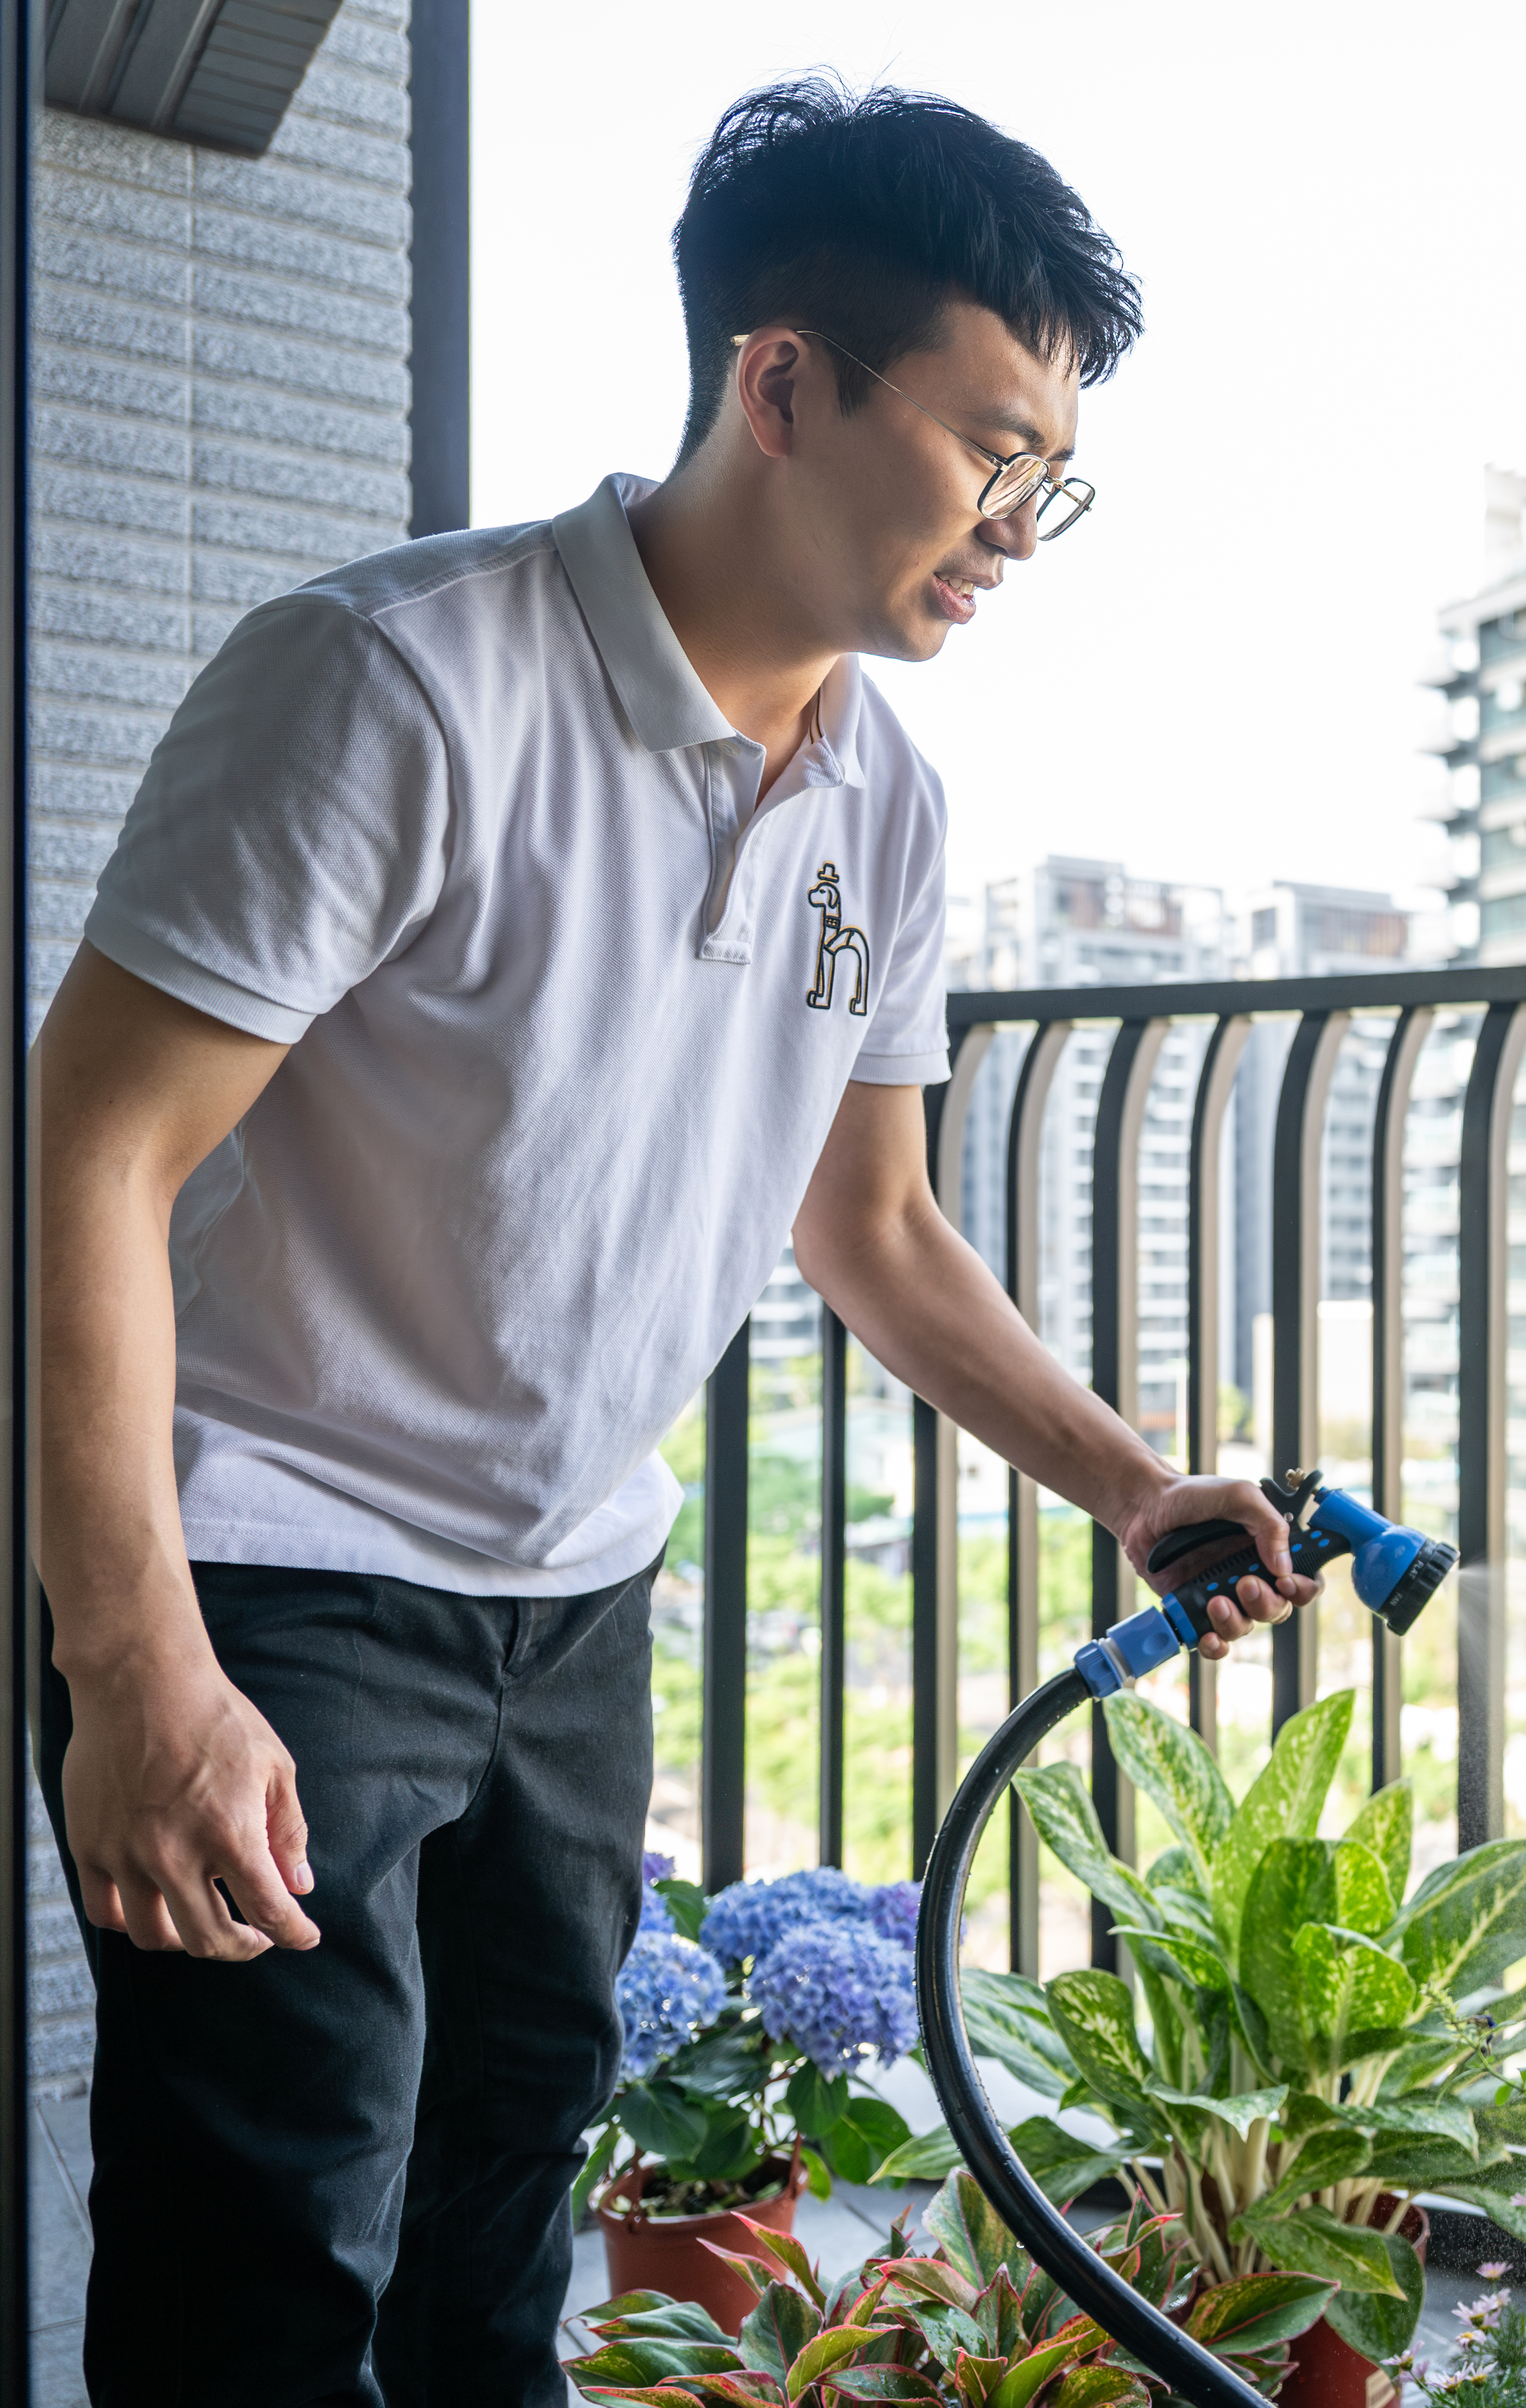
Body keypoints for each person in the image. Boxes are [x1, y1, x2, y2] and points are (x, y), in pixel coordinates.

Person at [26, 80, 1306, 2407]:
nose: (1027, 522)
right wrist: (136, 1669)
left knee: (506, 2223)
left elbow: (876, 1221)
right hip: (279, 1567)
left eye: (1060, 471)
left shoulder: (886, 801)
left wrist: (1130, 1481)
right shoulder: (397, 681)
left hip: (575, 1596)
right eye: (991, 445)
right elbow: (91, 1149)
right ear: (783, 379)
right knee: (268, 2252)